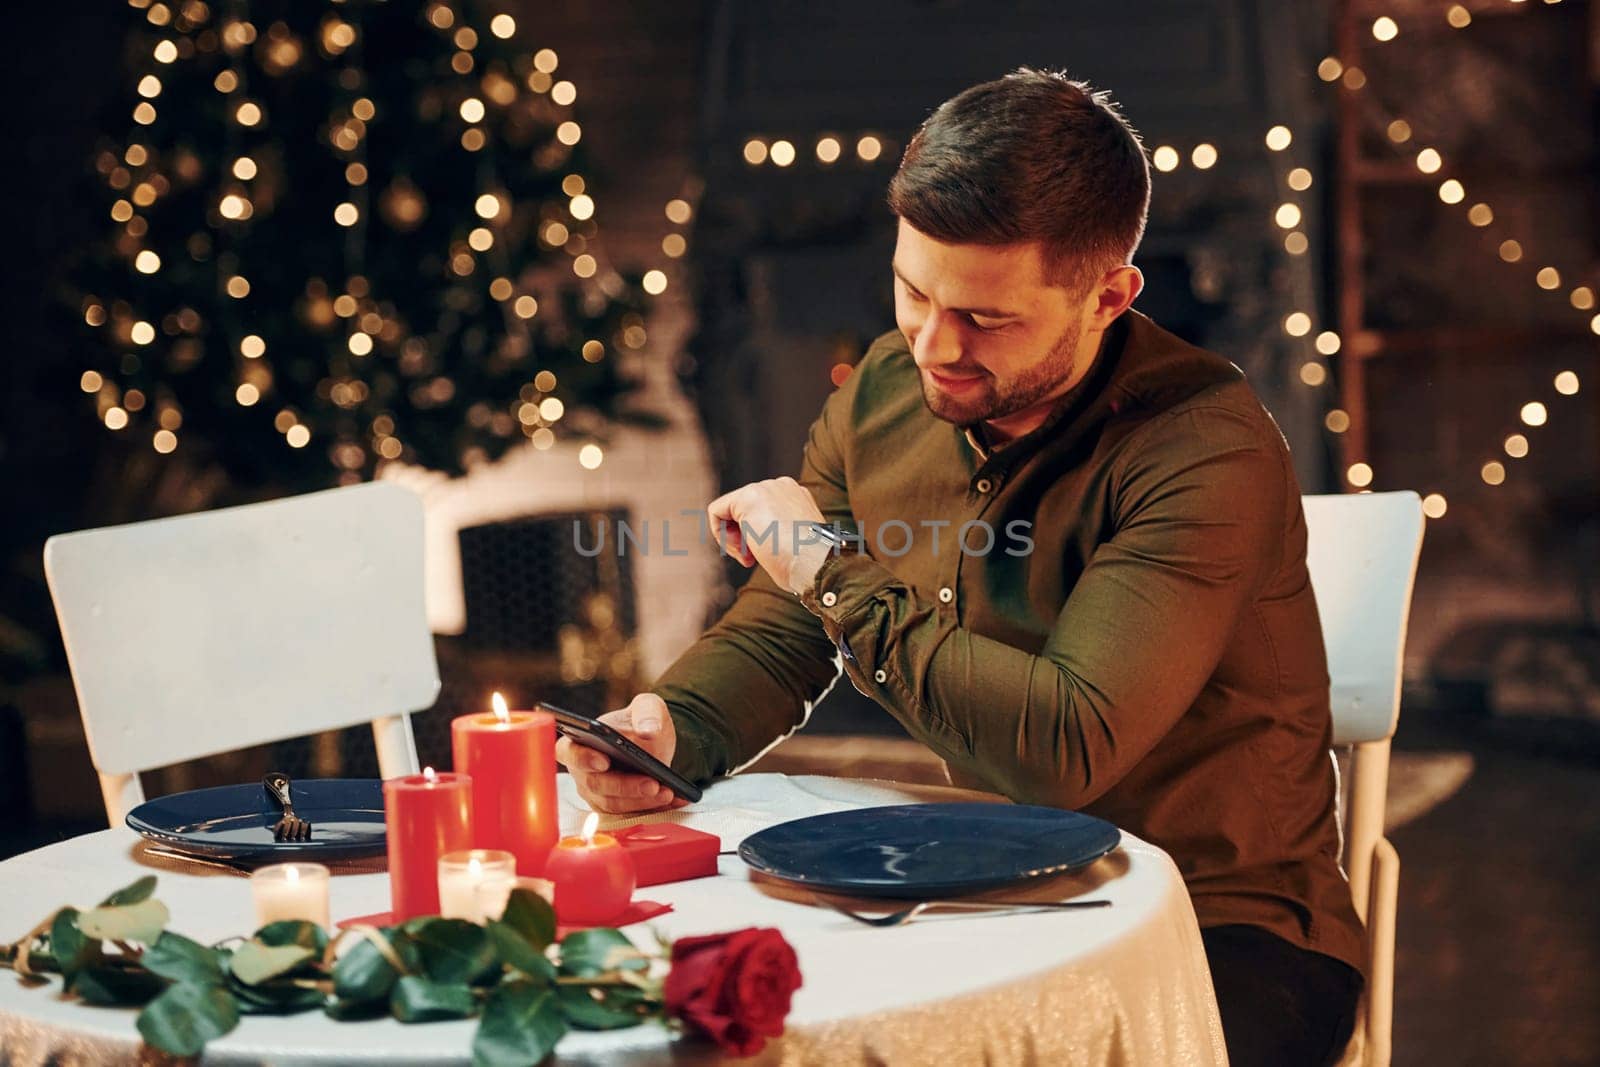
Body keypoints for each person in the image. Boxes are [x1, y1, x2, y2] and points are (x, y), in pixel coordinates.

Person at [555, 68, 1364, 1066]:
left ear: (1108, 294)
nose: (934, 344)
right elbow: (788, 622)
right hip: (988, 879)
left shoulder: (1205, 447)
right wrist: (677, 729)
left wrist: (827, 561)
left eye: (986, 318)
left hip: (1223, 928)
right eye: (911, 290)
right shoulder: (886, 393)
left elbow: (1060, 748)